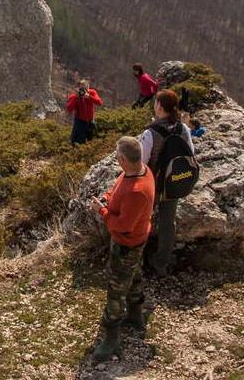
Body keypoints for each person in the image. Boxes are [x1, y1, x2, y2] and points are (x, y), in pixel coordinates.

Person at [89, 136, 155, 361]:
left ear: (124, 159)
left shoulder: (137, 190)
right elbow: (118, 187)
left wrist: (103, 212)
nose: (116, 159)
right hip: (137, 239)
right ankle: (136, 315)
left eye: (118, 156)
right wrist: (107, 198)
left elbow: (124, 226)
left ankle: (111, 338)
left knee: (116, 290)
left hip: (127, 243)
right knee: (134, 276)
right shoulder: (141, 170)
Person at [138, 89, 195, 277]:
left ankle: (136, 260)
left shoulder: (150, 133)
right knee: (168, 223)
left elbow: (141, 163)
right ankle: (161, 263)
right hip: (173, 183)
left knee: (141, 220)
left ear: (160, 107)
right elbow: (190, 155)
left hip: (152, 185)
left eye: (155, 102)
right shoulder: (183, 129)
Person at [66, 79, 103, 145]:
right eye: (82, 89)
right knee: (78, 142)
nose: (84, 91)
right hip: (80, 121)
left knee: (91, 140)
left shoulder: (92, 92)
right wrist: (76, 97)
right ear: (78, 88)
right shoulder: (74, 96)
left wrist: (89, 97)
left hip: (90, 121)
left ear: (88, 87)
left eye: (86, 88)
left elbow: (99, 102)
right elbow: (69, 109)